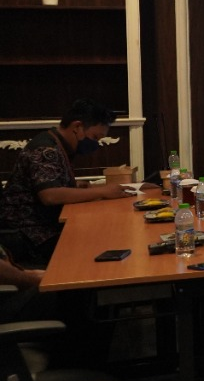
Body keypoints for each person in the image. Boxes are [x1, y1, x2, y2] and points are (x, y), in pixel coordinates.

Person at [0, 99, 133, 265]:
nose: (95, 143)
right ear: (77, 127)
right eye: (95, 137)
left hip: (41, 228)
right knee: (93, 246)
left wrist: (78, 187)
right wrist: (102, 192)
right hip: (30, 234)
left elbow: (48, 184)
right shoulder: (45, 150)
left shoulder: (57, 144)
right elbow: (50, 195)